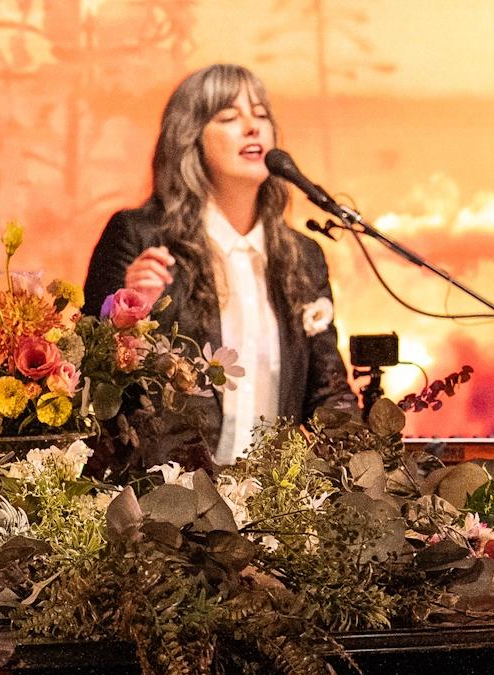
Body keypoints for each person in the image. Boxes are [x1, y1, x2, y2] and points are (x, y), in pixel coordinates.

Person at [81, 63, 355, 463]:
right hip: (163, 497)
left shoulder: (303, 257)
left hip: (272, 507)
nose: (252, 128)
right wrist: (127, 317)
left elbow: (330, 394)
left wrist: (363, 479)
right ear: (190, 139)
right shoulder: (139, 236)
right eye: (229, 117)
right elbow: (89, 378)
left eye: (262, 116)